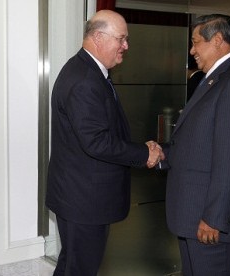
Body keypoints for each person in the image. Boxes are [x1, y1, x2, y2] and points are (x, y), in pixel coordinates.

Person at [45, 10, 163, 276]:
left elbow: (100, 132)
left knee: (71, 265)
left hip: (80, 194)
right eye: (121, 39)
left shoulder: (87, 70)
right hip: (84, 199)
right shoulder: (85, 79)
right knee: (81, 268)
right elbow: (96, 142)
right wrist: (143, 153)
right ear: (98, 37)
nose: (126, 46)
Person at [161, 14, 230, 275]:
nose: (192, 50)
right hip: (194, 214)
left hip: (210, 222)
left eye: (196, 42)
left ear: (218, 40)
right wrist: (160, 153)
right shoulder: (215, 78)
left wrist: (214, 218)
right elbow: (196, 142)